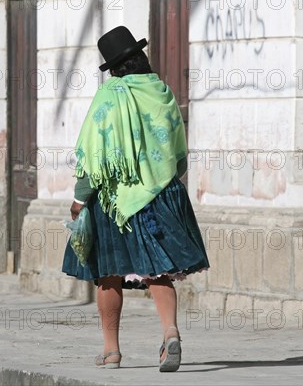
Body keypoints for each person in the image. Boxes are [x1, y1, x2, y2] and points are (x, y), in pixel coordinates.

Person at [62, 26, 210, 372]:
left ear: (113, 68)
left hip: (114, 201)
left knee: (108, 274)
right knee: (160, 270)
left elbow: (95, 154)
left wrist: (80, 199)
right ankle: (170, 333)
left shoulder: (111, 94)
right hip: (160, 194)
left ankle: (111, 351)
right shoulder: (160, 90)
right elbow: (179, 156)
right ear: (140, 57)